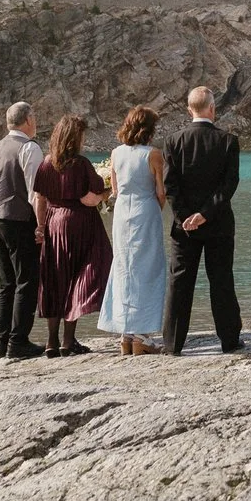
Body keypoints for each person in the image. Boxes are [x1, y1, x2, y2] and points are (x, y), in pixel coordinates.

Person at [160, 86, 242, 356]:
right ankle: (229, 340)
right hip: (218, 223)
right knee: (221, 281)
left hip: (184, 227)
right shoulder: (228, 141)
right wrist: (205, 214)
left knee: (180, 282)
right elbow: (229, 186)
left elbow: (170, 186)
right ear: (212, 108)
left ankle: (173, 344)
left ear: (189, 110)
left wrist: (186, 216)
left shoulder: (173, 141)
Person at [34, 114, 111, 357]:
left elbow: (40, 199)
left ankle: (50, 342)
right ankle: (68, 341)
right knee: (82, 274)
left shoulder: (46, 163)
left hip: (53, 223)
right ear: (75, 138)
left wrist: (40, 227)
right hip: (79, 223)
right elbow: (91, 198)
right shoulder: (81, 164)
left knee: (55, 278)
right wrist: (107, 194)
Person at [99, 107, 169, 355]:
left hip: (121, 214)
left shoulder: (116, 153)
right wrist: (154, 209)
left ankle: (125, 334)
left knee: (124, 267)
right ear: (149, 130)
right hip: (145, 211)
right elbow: (160, 192)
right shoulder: (153, 155)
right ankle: (141, 336)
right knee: (148, 268)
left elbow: (115, 190)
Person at [0, 103, 47, 360]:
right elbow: (36, 192)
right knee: (27, 280)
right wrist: (41, 225)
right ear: (28, 120)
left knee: (6, 283)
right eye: (35, 117)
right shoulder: (29, 148)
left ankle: (1, 343)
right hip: (20, 220)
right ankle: (18, 341)